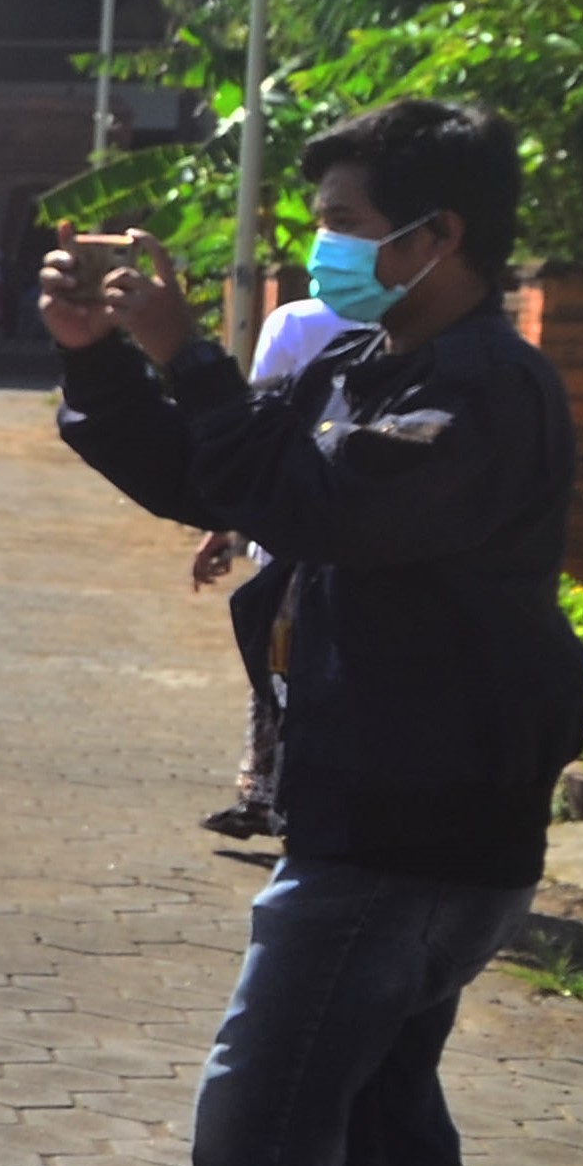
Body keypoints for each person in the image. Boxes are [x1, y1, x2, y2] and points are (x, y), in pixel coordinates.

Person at [35, 101, 583, 1166]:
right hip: (385, 806)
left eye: (345, 218)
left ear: (436, 234)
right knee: (388, 1137)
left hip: (410, 824)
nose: (325, 248)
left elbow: (328, 509)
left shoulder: (482, 388)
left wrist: (187, 356)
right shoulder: (369, 357)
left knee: (264, 1126)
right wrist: (102, 365)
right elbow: (218, 473)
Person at [192, 293, 356, 840]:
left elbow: (256, 427)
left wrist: (226, 522)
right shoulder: (419, 324)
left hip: (288, 527)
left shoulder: (296, 321)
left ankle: (268, 797)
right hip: (358, 535)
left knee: (278, 668)